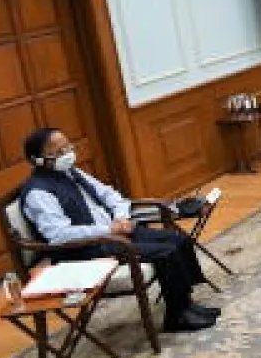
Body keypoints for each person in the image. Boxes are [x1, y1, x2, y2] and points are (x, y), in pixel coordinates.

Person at [19, 128, 219, 333]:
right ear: (39, 160)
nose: (68, 153)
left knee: (178, 239)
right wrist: (109, 229)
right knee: (166, 251)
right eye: (59, 152)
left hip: (115, 233)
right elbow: (58, 235)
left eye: (68, 147)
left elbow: (110, 195)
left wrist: (121, 217)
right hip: (86, 248)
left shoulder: (71, 172)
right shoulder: (38, 193)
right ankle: (176, 318)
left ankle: (185, 304)